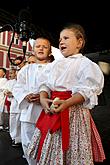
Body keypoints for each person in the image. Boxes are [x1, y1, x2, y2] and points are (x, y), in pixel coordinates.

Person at [27, 23, 106, 165]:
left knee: (73, 147)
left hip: (73, 113)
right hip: (53, 110)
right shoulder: (54, 65)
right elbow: (45, 84)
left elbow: (86, 90)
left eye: (66, 38)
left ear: (79, 42)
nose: (61, 41)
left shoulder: (86, 64)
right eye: (59, 39)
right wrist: (44, 98)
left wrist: (67, 103)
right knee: (51, 149)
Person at [12, 36, 53, 165]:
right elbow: (18, 87)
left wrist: (44, 97)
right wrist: (27, 96)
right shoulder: (25, 70)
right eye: (38, 46)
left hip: (48, 113)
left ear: (50, 51)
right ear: (33, 50)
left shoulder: (55, 68)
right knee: (28, 143)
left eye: (45, 46)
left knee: (47, 143)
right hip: (28, 113)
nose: (41, 48)